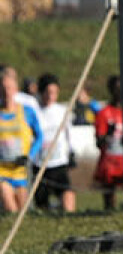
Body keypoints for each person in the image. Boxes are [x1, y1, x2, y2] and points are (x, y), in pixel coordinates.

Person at [0, 65, 42, 214]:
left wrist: (29, 156)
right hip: (2, 170)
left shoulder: (27, 112)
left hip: (21, 170)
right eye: (3, 88)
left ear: (16, 89)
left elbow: (39, 136)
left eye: (9, 88)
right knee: (10, 209)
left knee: (22, 213)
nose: (6, 92)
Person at [33, 73, 77, 213]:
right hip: (40, 163)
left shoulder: (62, 111)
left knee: (67, 193)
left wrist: (71, 152)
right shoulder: (35, 111)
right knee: (41, 202)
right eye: (48, 92)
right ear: (41, 92)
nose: (51, 96)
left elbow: (69, 134)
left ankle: (69, 217)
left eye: (54, 92)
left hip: (59, 162)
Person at [94, 75, 123, 210]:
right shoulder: (103, 113)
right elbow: (99, 141)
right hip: (110, 159)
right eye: (116, 88)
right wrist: (108, 134)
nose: (119, 92)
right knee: (109, 196)